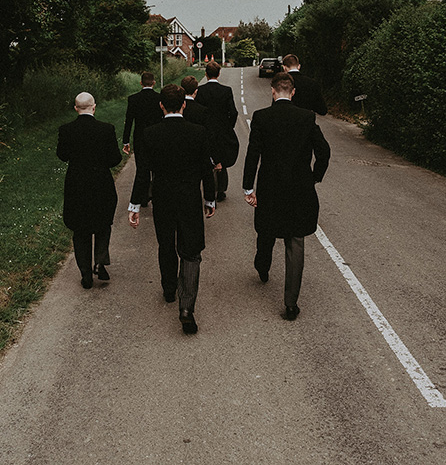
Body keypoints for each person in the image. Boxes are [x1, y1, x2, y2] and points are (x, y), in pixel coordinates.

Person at [128, 84, 216, 334]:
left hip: (163, 198)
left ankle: (169, 289)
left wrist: (135, 204)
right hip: (189, 198)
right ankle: (186, 307)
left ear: (161, 106)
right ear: (184, 105)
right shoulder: (198, 132)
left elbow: (143, 173)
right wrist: (209, 199)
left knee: (166, 244)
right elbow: (205, 170)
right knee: (191, 251)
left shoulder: (150, 134)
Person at [243, 72, 330, 321]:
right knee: (295, 240)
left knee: (267, 229)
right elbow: (323, 151)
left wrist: (248, 187)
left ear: (272, 91)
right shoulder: (306, 117)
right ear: (293, 92)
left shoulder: (261, 117)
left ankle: (262, 266)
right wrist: (314, 176)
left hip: (270, 187)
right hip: (300, 188)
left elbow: (253, 154)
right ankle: (291, 303)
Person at [56, 92, 123, 289]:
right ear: (94, 107)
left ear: (76, 108)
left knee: (80, 228)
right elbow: (115, 159)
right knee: (103, 223)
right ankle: (100, 260)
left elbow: (62, 155)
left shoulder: (66, 130)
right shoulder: (106, 129)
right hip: (101, 182)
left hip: (76, 183)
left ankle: (85, 272)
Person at [195, 61, 239, 201]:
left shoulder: (200, 91)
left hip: (205, 128)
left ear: (206, 74)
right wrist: (228, 126)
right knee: (221, 158)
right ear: (219, 74)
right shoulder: (226, 90)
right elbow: (233, 112)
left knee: (206, 158)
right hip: (221, 128)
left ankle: (208, 189)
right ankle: (221, 190)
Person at [122, 71, 164, 206]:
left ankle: (144, 196)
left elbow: (129, 121)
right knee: (157, 167)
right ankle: (157, 194)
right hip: (157, 136)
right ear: (154, 83)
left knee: (142, 168)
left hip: (140, 137)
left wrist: (126, 140)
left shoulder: (133, 99)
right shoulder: (159, 98)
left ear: (141, 83)